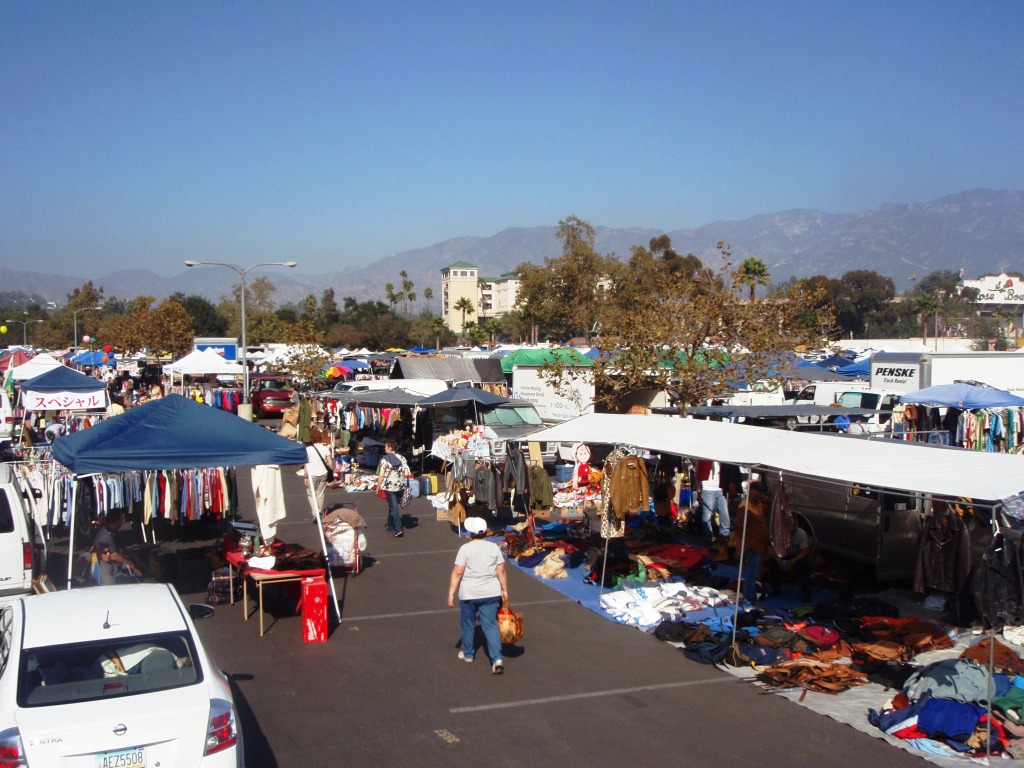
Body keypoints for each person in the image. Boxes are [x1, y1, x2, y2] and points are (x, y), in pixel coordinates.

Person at [447, 516, 508, 674]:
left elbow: (458, 572)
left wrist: (451, 593)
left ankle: (468, 654)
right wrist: (504, 590)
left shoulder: (465, 549)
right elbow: (501, 571)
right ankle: (497, 659)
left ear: (471, 532)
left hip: (469, 593)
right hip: (491, 592)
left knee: (468, 623)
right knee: (491, 625)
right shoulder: (493, 548)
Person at [767, 516, 812, 601]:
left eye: (794, 525)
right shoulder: (779, 533)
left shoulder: (801, 533)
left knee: (805, 565)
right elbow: (773, 549)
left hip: (797, 556)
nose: (792, 528)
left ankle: (806, 593)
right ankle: (776, 590)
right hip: (783, 554)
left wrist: (792, 561)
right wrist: (779, 561)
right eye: (790, 526)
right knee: (771, 562)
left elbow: (804, 552)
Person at [93, 509, 145, 575]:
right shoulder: (105, 537)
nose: (122, 521)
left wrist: (133, 556)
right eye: (121, 519)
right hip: (111, 568)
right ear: (117, 521)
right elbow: (113, 556)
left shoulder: (111, 532)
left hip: (118, 562)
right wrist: (129, 564)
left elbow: (121, 546)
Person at [376, 440, 410, 537]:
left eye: (386, 447)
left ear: (390, 448)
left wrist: (378, 486)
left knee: (394, 507)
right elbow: (407, 473)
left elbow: (381, 475)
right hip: (401, 486)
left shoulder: (384, 460)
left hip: (389, 487)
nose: (385, 449)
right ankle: (389, 525)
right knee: (392, 506)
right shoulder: (402, 458)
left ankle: (398, 529)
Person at [696, 459, 730, 544]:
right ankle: (708, 537)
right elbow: (698, 470)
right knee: (707, 515)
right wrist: (698, 487)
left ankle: (724, 535)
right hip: (707, 489)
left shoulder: (721, 459)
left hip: (720, 489)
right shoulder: (703, 459)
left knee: (724, 513)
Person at [304, 428, 334, 517]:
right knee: (320, 494)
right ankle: (319, 511)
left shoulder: (308, 450)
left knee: (311, 494)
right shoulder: (325, 448)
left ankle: (316, 513)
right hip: (323, 472)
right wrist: (333, 470)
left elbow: (306, 464)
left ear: (312, 439)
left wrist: (305, 476)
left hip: (312, 473)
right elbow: (330, 464)